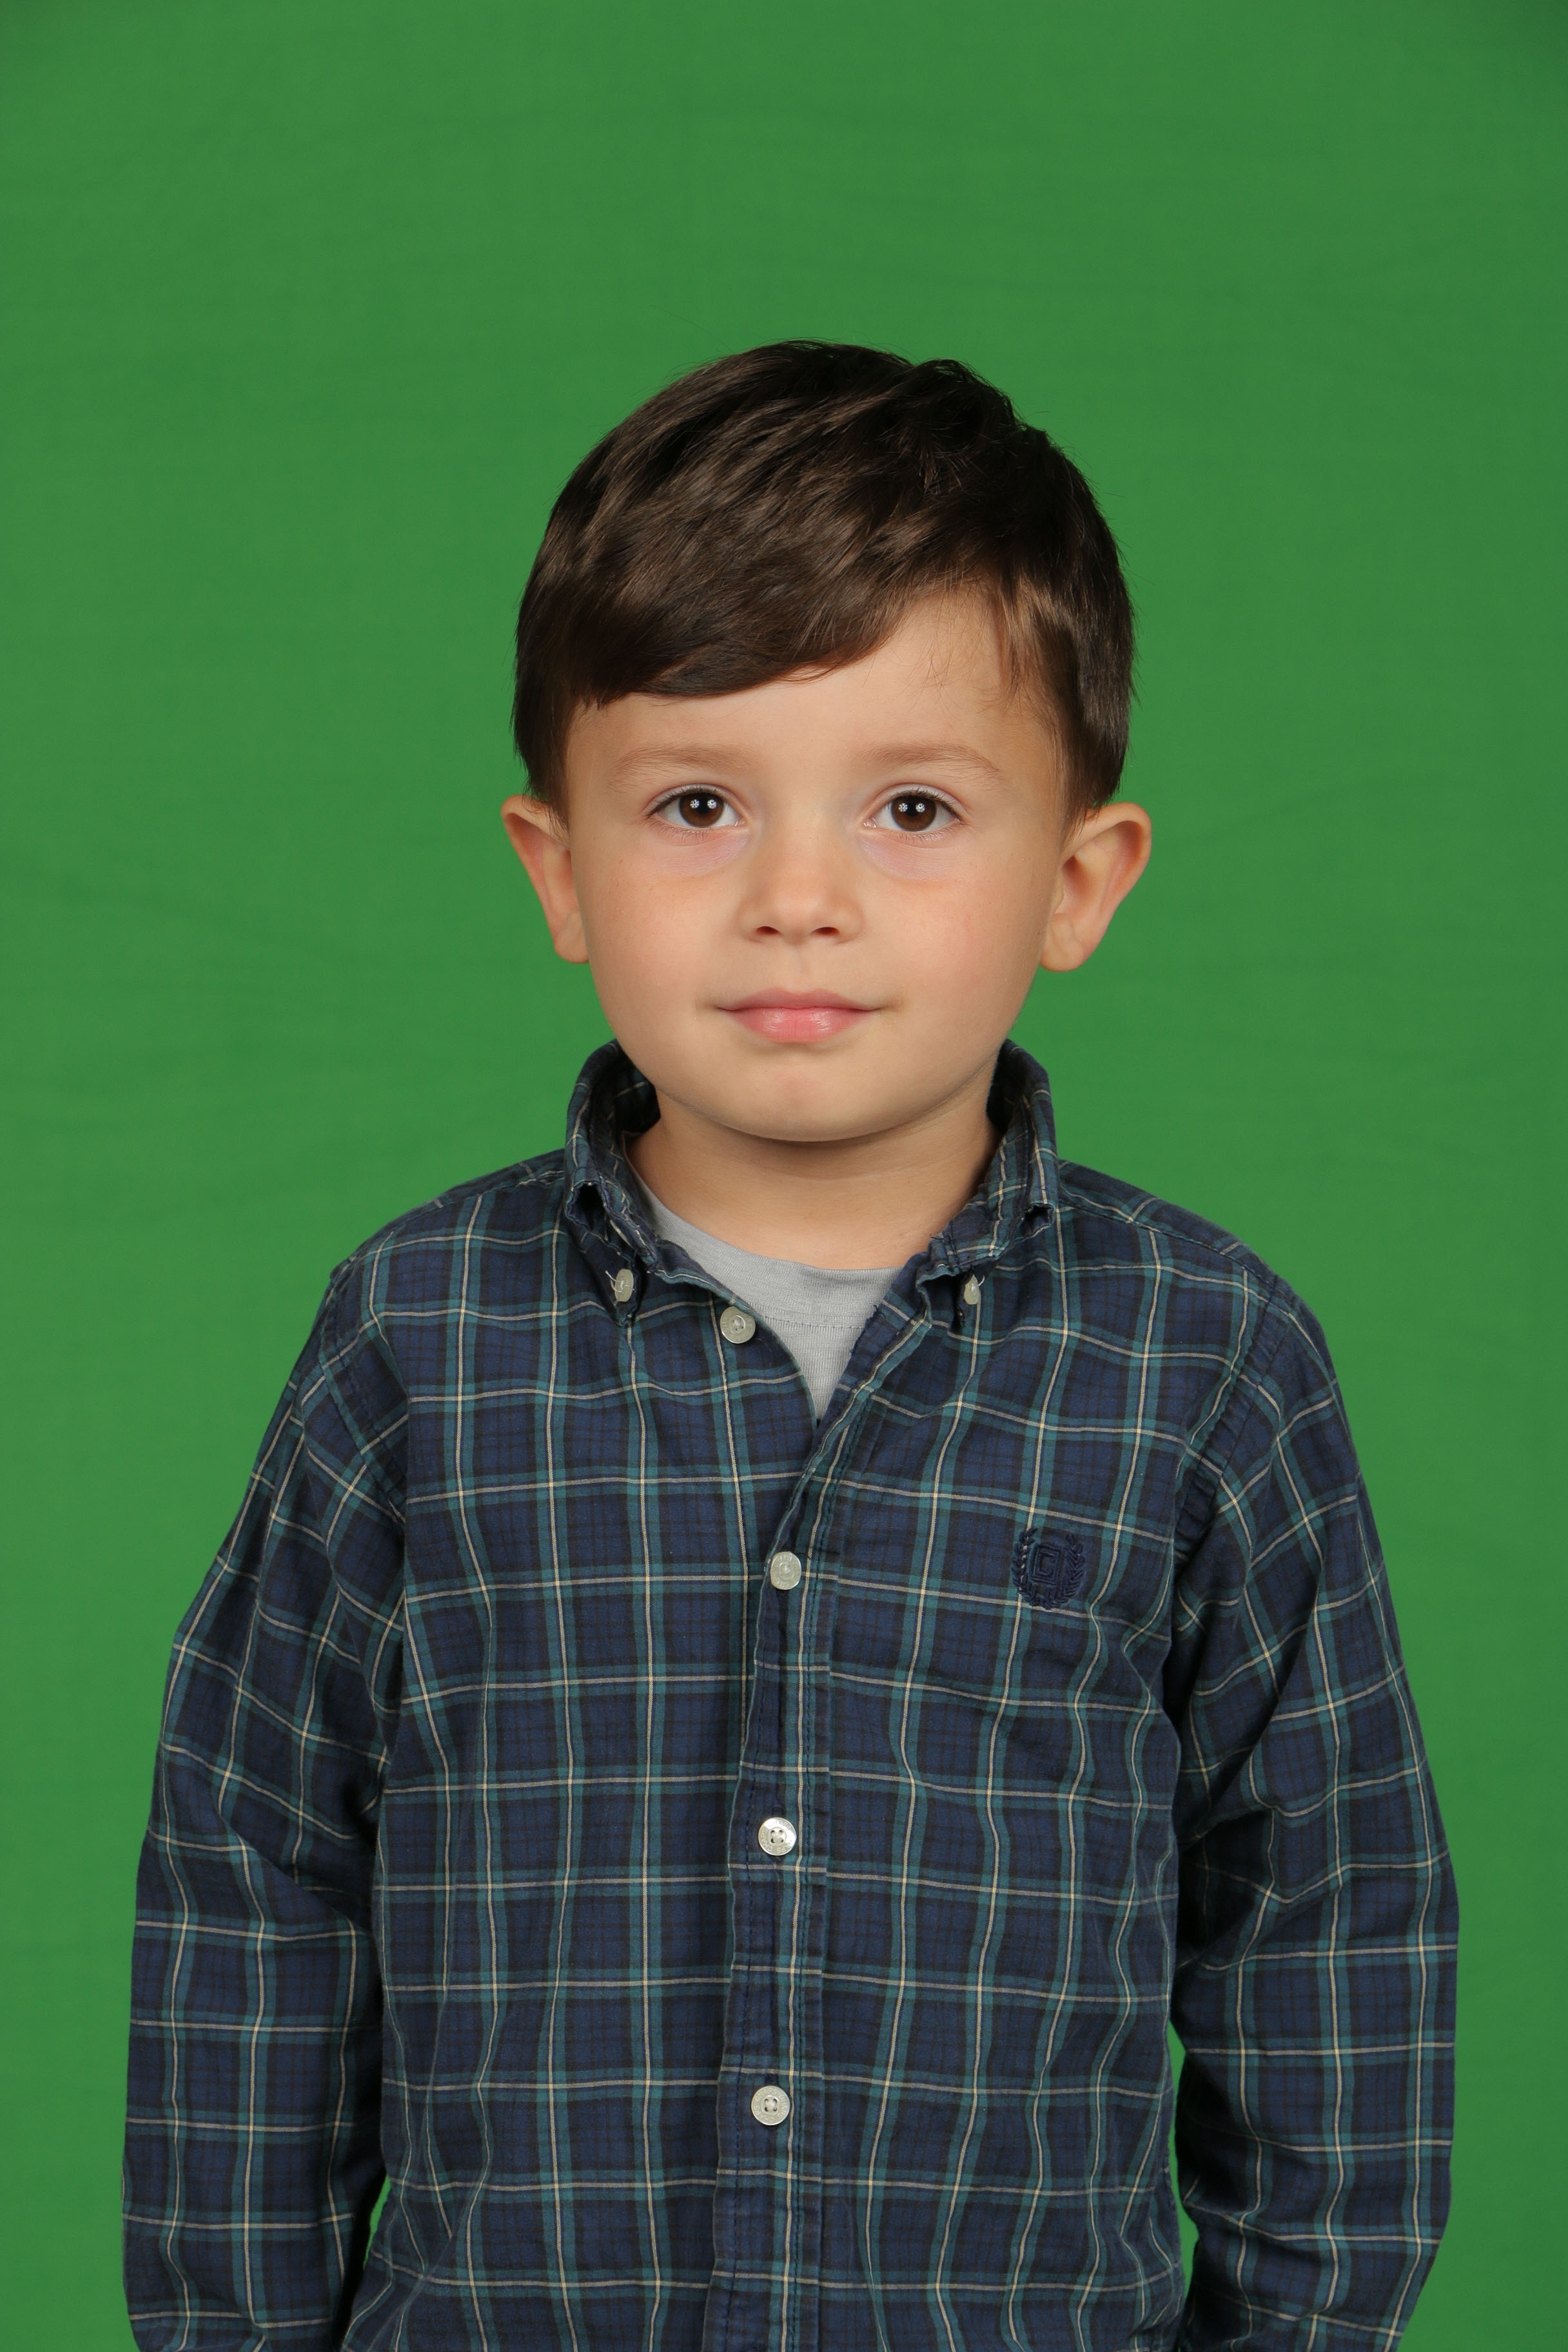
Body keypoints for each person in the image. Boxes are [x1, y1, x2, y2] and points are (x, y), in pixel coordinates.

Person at [124, 342, 1456, 2351]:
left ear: (1077, 881)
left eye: (913, 807)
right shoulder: (415, 1338)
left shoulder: (1209, 1362)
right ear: (558, 868)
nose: (798, 900)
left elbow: (1332, 1922)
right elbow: (255, 1873)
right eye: (697, 806)